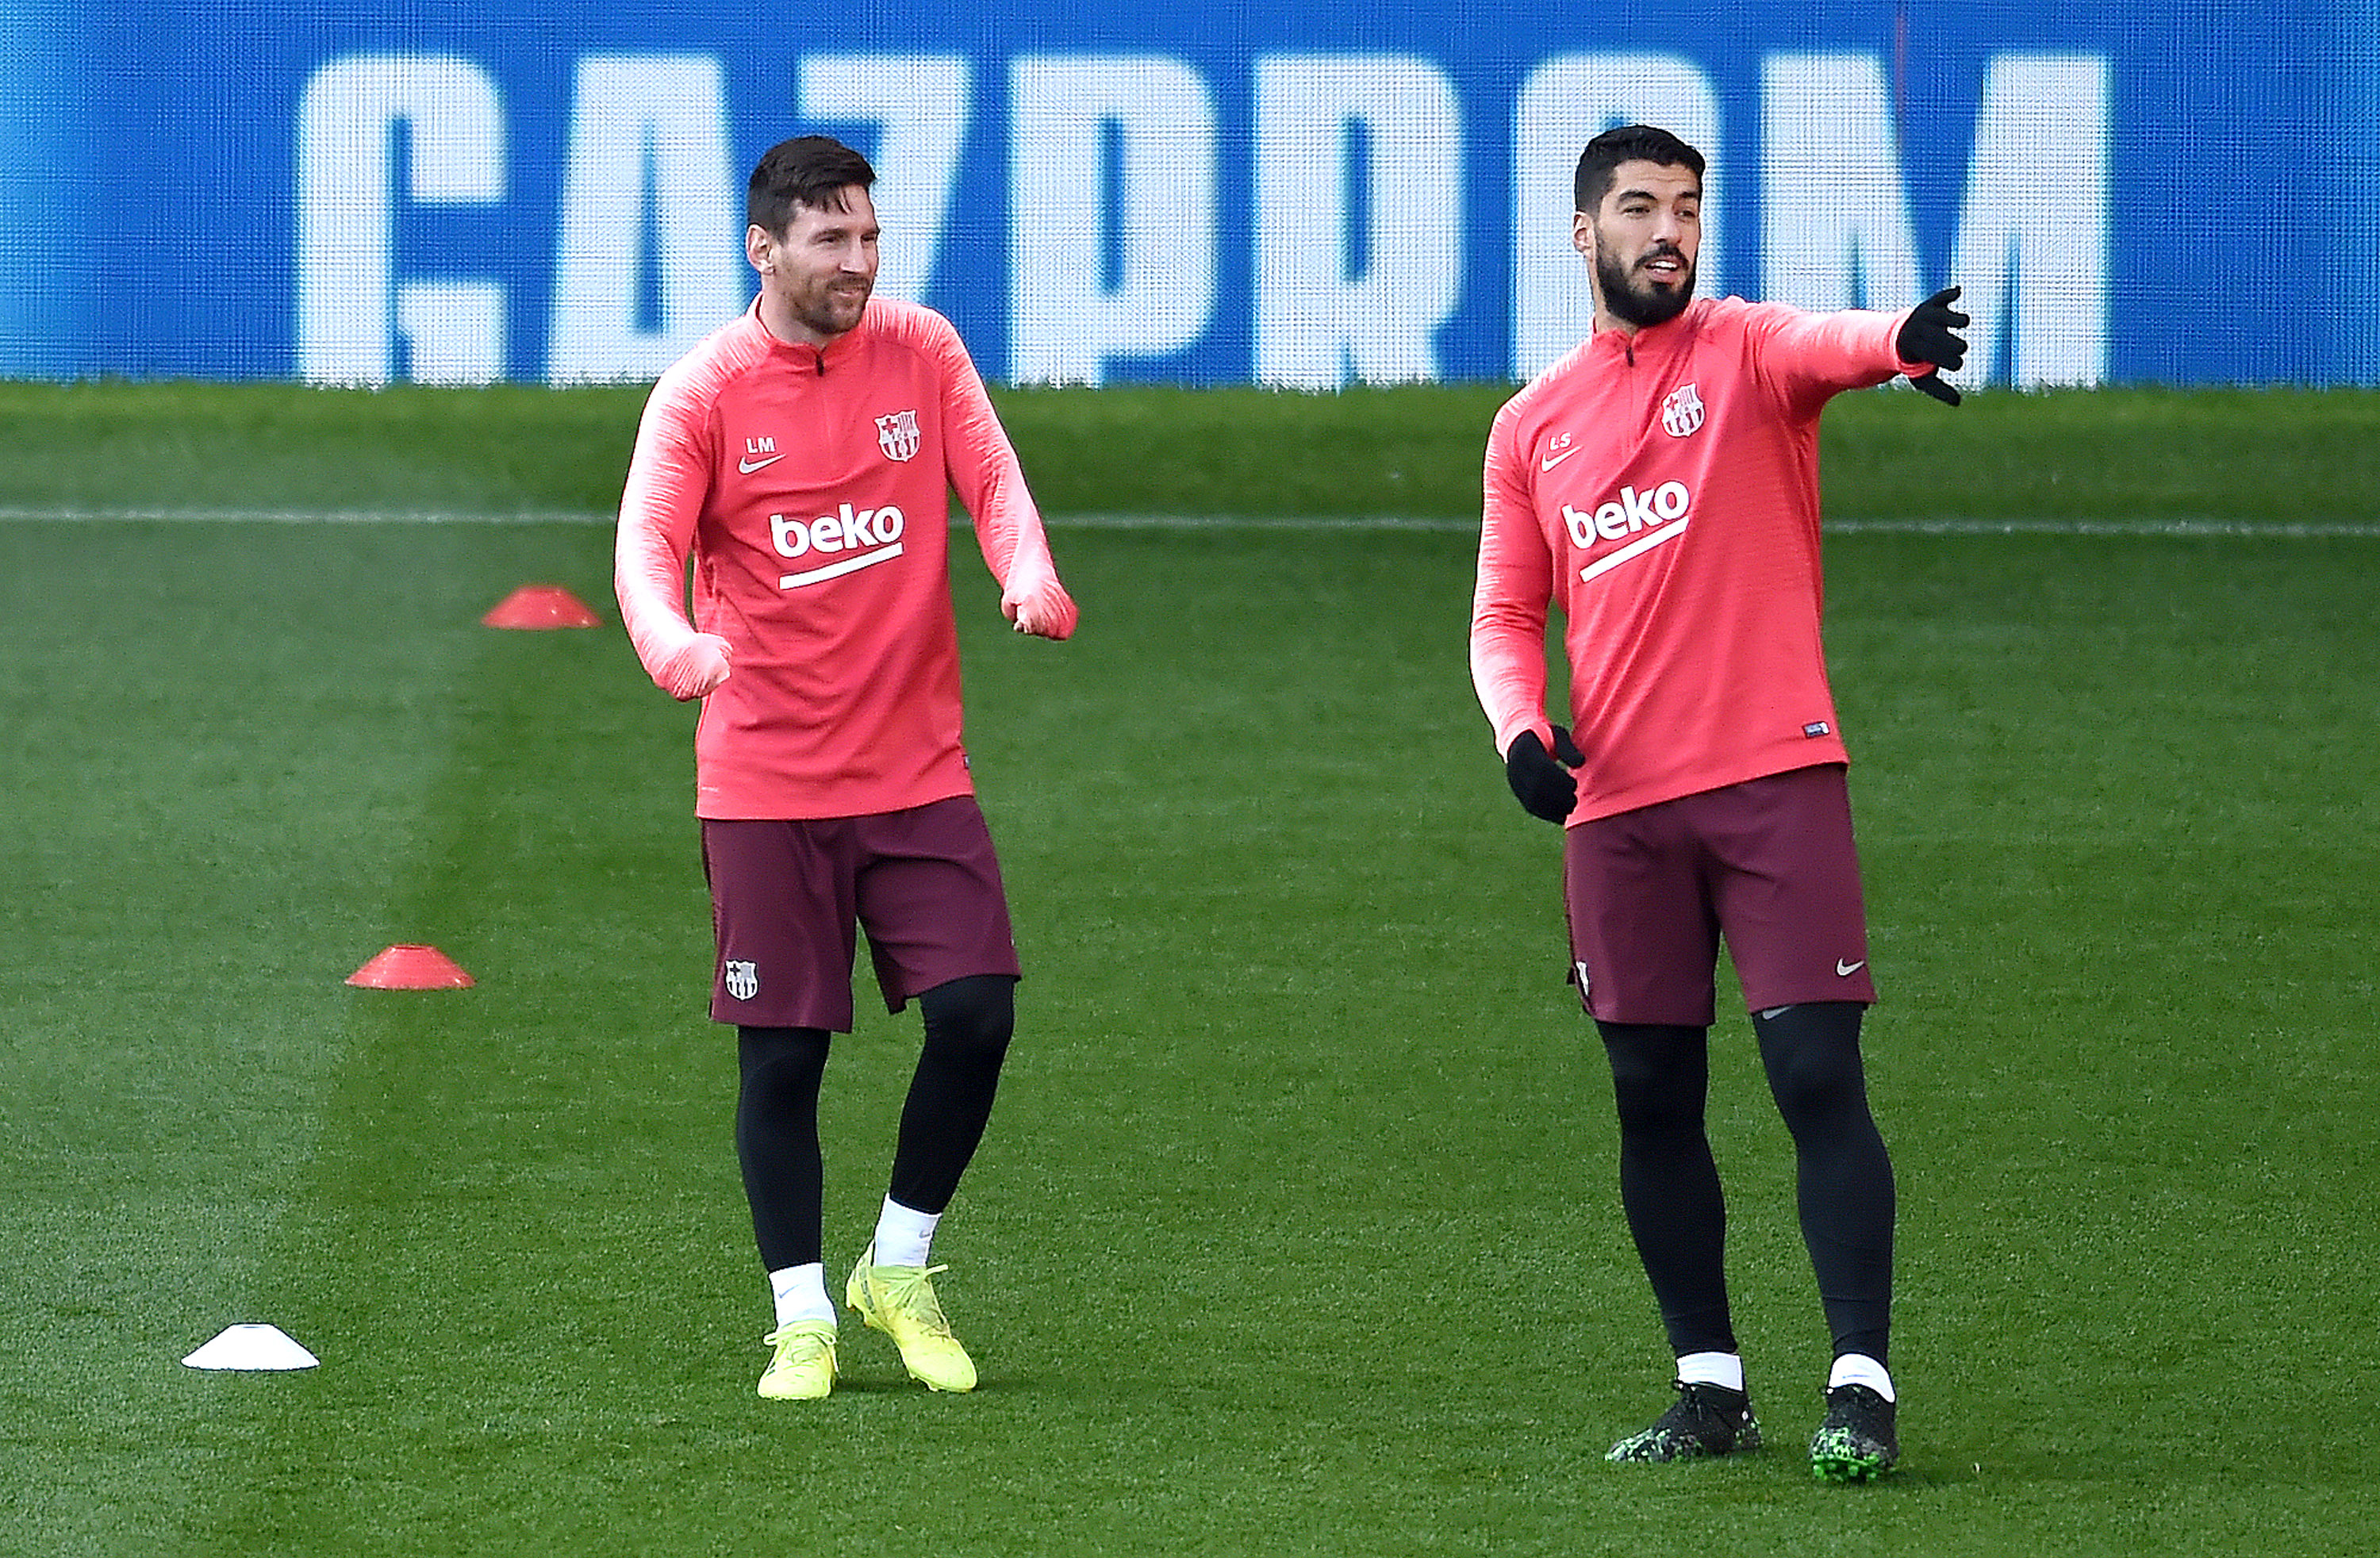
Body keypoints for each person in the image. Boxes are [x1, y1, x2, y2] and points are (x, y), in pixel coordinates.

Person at [1468, 124, 1967, 1481]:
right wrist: (1522, 733)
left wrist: (1901, 341)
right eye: (1640, 209)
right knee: (1651, 1094)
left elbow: (1831, 344)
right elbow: (1507, 614)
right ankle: (1710, 1386)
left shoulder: (1744, 350)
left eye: (1686, 207)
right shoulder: (1531, 426)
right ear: (1586, 236)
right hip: (1620, 813)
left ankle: (1860, 1379)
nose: (1668, 230)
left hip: (1773, 777)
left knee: (1815, 1072)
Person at [613, 133, 1078, 1402]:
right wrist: (675, 644)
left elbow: (991, 472)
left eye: (871, 237)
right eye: (833, 241)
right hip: (766, 785)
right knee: (784, 1058)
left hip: (917, 771)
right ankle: (801, 1314)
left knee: (978, 1013)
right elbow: (646, 548)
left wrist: (1023, 573)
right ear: (763, 250)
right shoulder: (704, 392)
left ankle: (900, 1266)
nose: (860, 263)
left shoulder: (920, 351)